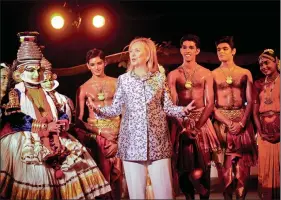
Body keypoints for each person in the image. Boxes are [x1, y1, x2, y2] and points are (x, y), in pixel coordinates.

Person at [0, 32, 111, 199]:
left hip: (58, 136)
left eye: (39, 70)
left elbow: (61, 112)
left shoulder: (49, 93)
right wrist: (44, 126)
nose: (35, 74)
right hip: (29, 142)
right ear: (19, 72)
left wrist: (63, 122)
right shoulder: (15, 93)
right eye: (30, 70)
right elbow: (14, 118)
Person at [86, 37, 196, 199]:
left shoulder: (158, 78)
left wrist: (183, 110)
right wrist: (99, 110)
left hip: (158, 143)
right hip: (131, 144)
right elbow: (115, 109)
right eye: (131, 51)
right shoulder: (124, 80)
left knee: (164, 194)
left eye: (137, 50)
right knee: (137, 195)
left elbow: (167, 107)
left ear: (148, 55)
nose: (133, 54)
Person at [167, 34, 221, 200]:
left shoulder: (206, 73)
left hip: (202, 123)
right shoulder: (173, 74)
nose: (187, 50)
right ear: (181, 50)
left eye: (191, 47)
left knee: (203, 167)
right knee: (183, 169)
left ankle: (204, 195)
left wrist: (196, 128)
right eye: (184, 47)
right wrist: (183, 127)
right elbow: (171, 105)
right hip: (181, 123)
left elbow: (210, 103)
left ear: (197, 50)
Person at [212, 36, 257, 200]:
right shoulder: (213, 74)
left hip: (242, 122)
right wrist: (228, 122)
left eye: (225, 49)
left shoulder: (245, 73)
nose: (221, 52)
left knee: (242, 171)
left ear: (233, 51)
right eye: (218, 49)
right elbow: (211, 104)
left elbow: (251, 100)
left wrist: (242, 122)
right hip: (222, 124)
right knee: (225, 172)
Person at [75, 48, 123, 199]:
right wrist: (100, 133)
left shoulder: (117, 83)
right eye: (93, 64)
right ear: (88, 66)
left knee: (120, 178)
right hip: (98, 136)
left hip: (118, 133)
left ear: (105, 62)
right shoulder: (83, 88)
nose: (96, 67)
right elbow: (78, 120)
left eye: (99, 63)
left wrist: (119, 138)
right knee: (102, 177)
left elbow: (126, 112)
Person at [253, 49, 280, 200]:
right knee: (266, 171)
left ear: (276, 60)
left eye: (267, 62)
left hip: (279, 133)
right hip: (264, 134)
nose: (264, 66)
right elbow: (255, 113)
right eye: (261, 64)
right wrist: (260, 131)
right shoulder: (258, 84)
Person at [40, 57, 75, 125]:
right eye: (45, 81)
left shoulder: (63, 98)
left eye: (50, 80)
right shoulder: (38, 96)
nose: (49, 83)